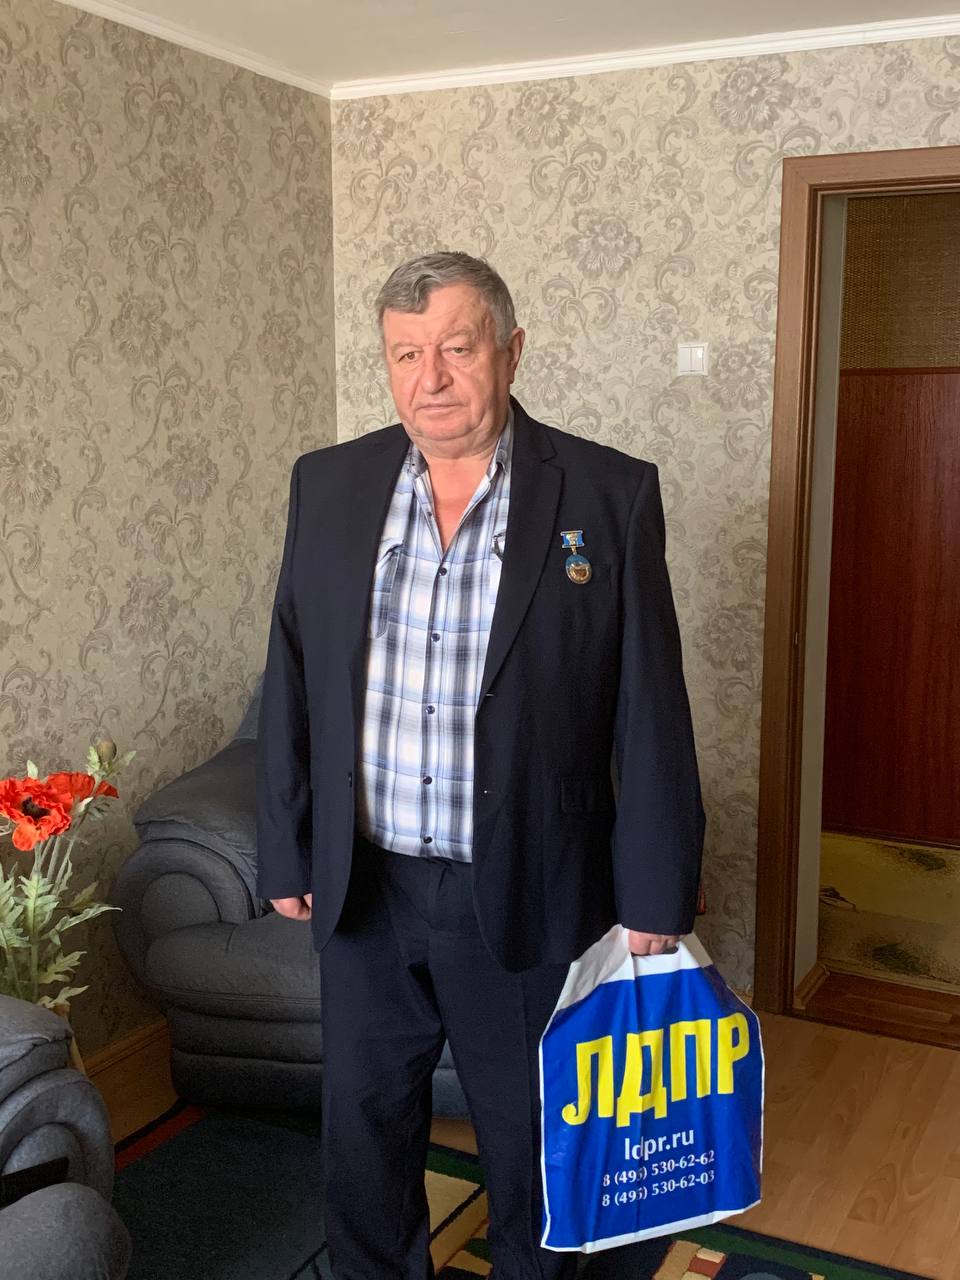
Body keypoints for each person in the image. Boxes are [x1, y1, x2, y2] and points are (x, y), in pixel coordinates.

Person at [256, 251, 705, 1280]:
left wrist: (656, 893)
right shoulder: (328, 483)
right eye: (405, 354)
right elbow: (292, 669)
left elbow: (650, 709)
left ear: (510, 350)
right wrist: (287, 843)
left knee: (534, 1143)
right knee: (364, 1135)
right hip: (365, 885)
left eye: (457, 348)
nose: (432, 378)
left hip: (530, 881)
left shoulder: (609, 491)